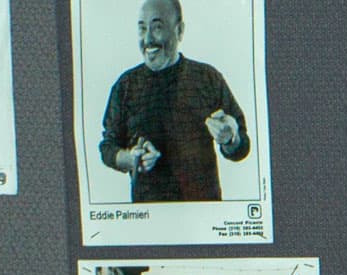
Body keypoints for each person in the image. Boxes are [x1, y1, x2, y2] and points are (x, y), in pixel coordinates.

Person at [97, 0, 251, 204]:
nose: (148, 39)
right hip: (149, 216)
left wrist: (230, 138)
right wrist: (132, 157)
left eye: (158, 27)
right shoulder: (125, 86)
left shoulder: (208, 78)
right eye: (142, 29)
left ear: (179, 31)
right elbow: (108, 148)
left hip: (203, 214)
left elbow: (241, 147)